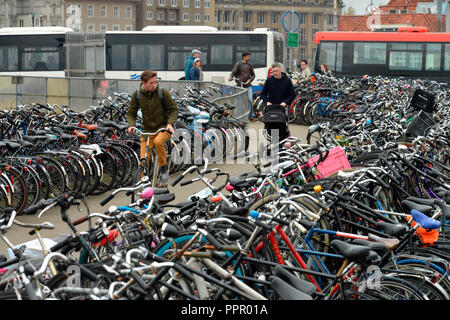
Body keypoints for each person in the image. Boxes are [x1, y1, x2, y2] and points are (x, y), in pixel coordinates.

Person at [127, 70, 178, 184]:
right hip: (147, 131)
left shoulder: (162, 92)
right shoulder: (138, 94)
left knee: (159, 141)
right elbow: (131, 112)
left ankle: (163, 168)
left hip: (163, 128)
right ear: (143, 83)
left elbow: (173, 110)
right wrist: (131, 124)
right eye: (151, 83)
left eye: (155, 82)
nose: (154, 85)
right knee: (143, 159)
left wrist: (170, 123)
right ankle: (142, 185)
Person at [260, 62, 296, 141]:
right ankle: (275, 145)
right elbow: (263, 94)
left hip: (283, 108)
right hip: (271, 108)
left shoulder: (287, 81)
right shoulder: (269, 80)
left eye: (276, 71)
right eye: (273, 71)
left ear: (280, 70)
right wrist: (267, 102)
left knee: (283, 129)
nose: (275, 73)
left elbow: (292, 94)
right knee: (271, 128)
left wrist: (285, 102)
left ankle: (282, 146)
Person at [228, 52, 256, 120]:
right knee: (239, 101)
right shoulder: (238, 64)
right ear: (244, 57)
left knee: (249, 100)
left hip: (248, 85)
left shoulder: (250, 65)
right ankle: (240, 115)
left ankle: (251, 115)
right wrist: (230, 77)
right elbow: (233, 72)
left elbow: (253, 75)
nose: (249, 58)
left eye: (249, 56)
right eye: (248, 56)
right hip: (239, 85)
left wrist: (250, 79)